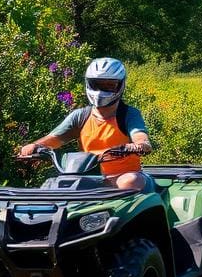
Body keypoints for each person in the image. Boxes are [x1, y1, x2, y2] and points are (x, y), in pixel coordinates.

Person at [19, 57, 153, 190]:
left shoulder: (128, 114)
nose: (102, 90)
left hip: (124, 176)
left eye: (109, 85)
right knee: (52, 185)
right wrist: (34, 146)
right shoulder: (80, 116)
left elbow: (141, 138)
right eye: (97, 84)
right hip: (90, 179)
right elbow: (55, 139)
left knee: (130, 181)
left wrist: (138, 145)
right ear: (88, 83)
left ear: (120, 85)